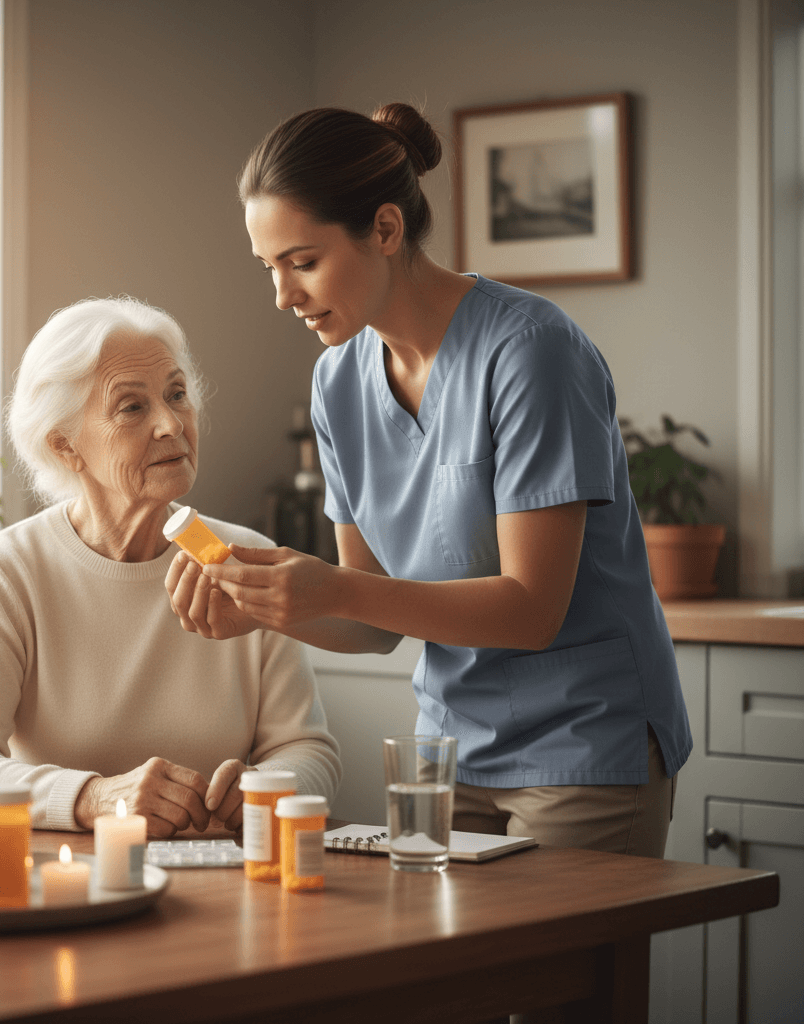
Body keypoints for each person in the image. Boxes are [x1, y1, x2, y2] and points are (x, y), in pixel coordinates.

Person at [167, 103, 691, 858]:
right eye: (268, 268)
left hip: (583, 742)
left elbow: (531, 609)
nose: (282, 296)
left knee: (559, 976)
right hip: (449, 749)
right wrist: (266, 606)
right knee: (453, 972)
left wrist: (331, 588)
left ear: (385, 230)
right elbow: (374, 621)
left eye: (302, 261)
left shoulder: (531, 352)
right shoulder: (337, 383)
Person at [0, 297, 340, 836]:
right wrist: (92, 797)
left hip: (226, 885)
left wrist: (272, 786)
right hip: (70, 887)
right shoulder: (2, 573)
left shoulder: (246, 560)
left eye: (177, 394)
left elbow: (309, 749)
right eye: (132, 407)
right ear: (65, 445)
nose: (171, 424)